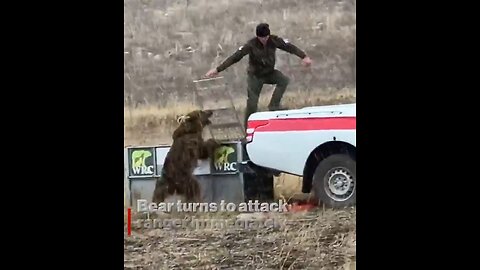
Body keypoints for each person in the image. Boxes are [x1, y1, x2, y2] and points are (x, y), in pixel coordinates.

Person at [205, 23, 312, 127]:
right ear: (257, 37)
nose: (264, 40)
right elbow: (236, 57)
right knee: (252, 104)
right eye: (261, 38)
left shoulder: (273, 40)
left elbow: (289, 47)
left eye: (265, 37)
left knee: (283, 80)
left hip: (269, 72)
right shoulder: (251, 44)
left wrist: (304, 56)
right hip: (255, 76)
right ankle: (248, 129)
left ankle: (274, 105)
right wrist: (218, 69)